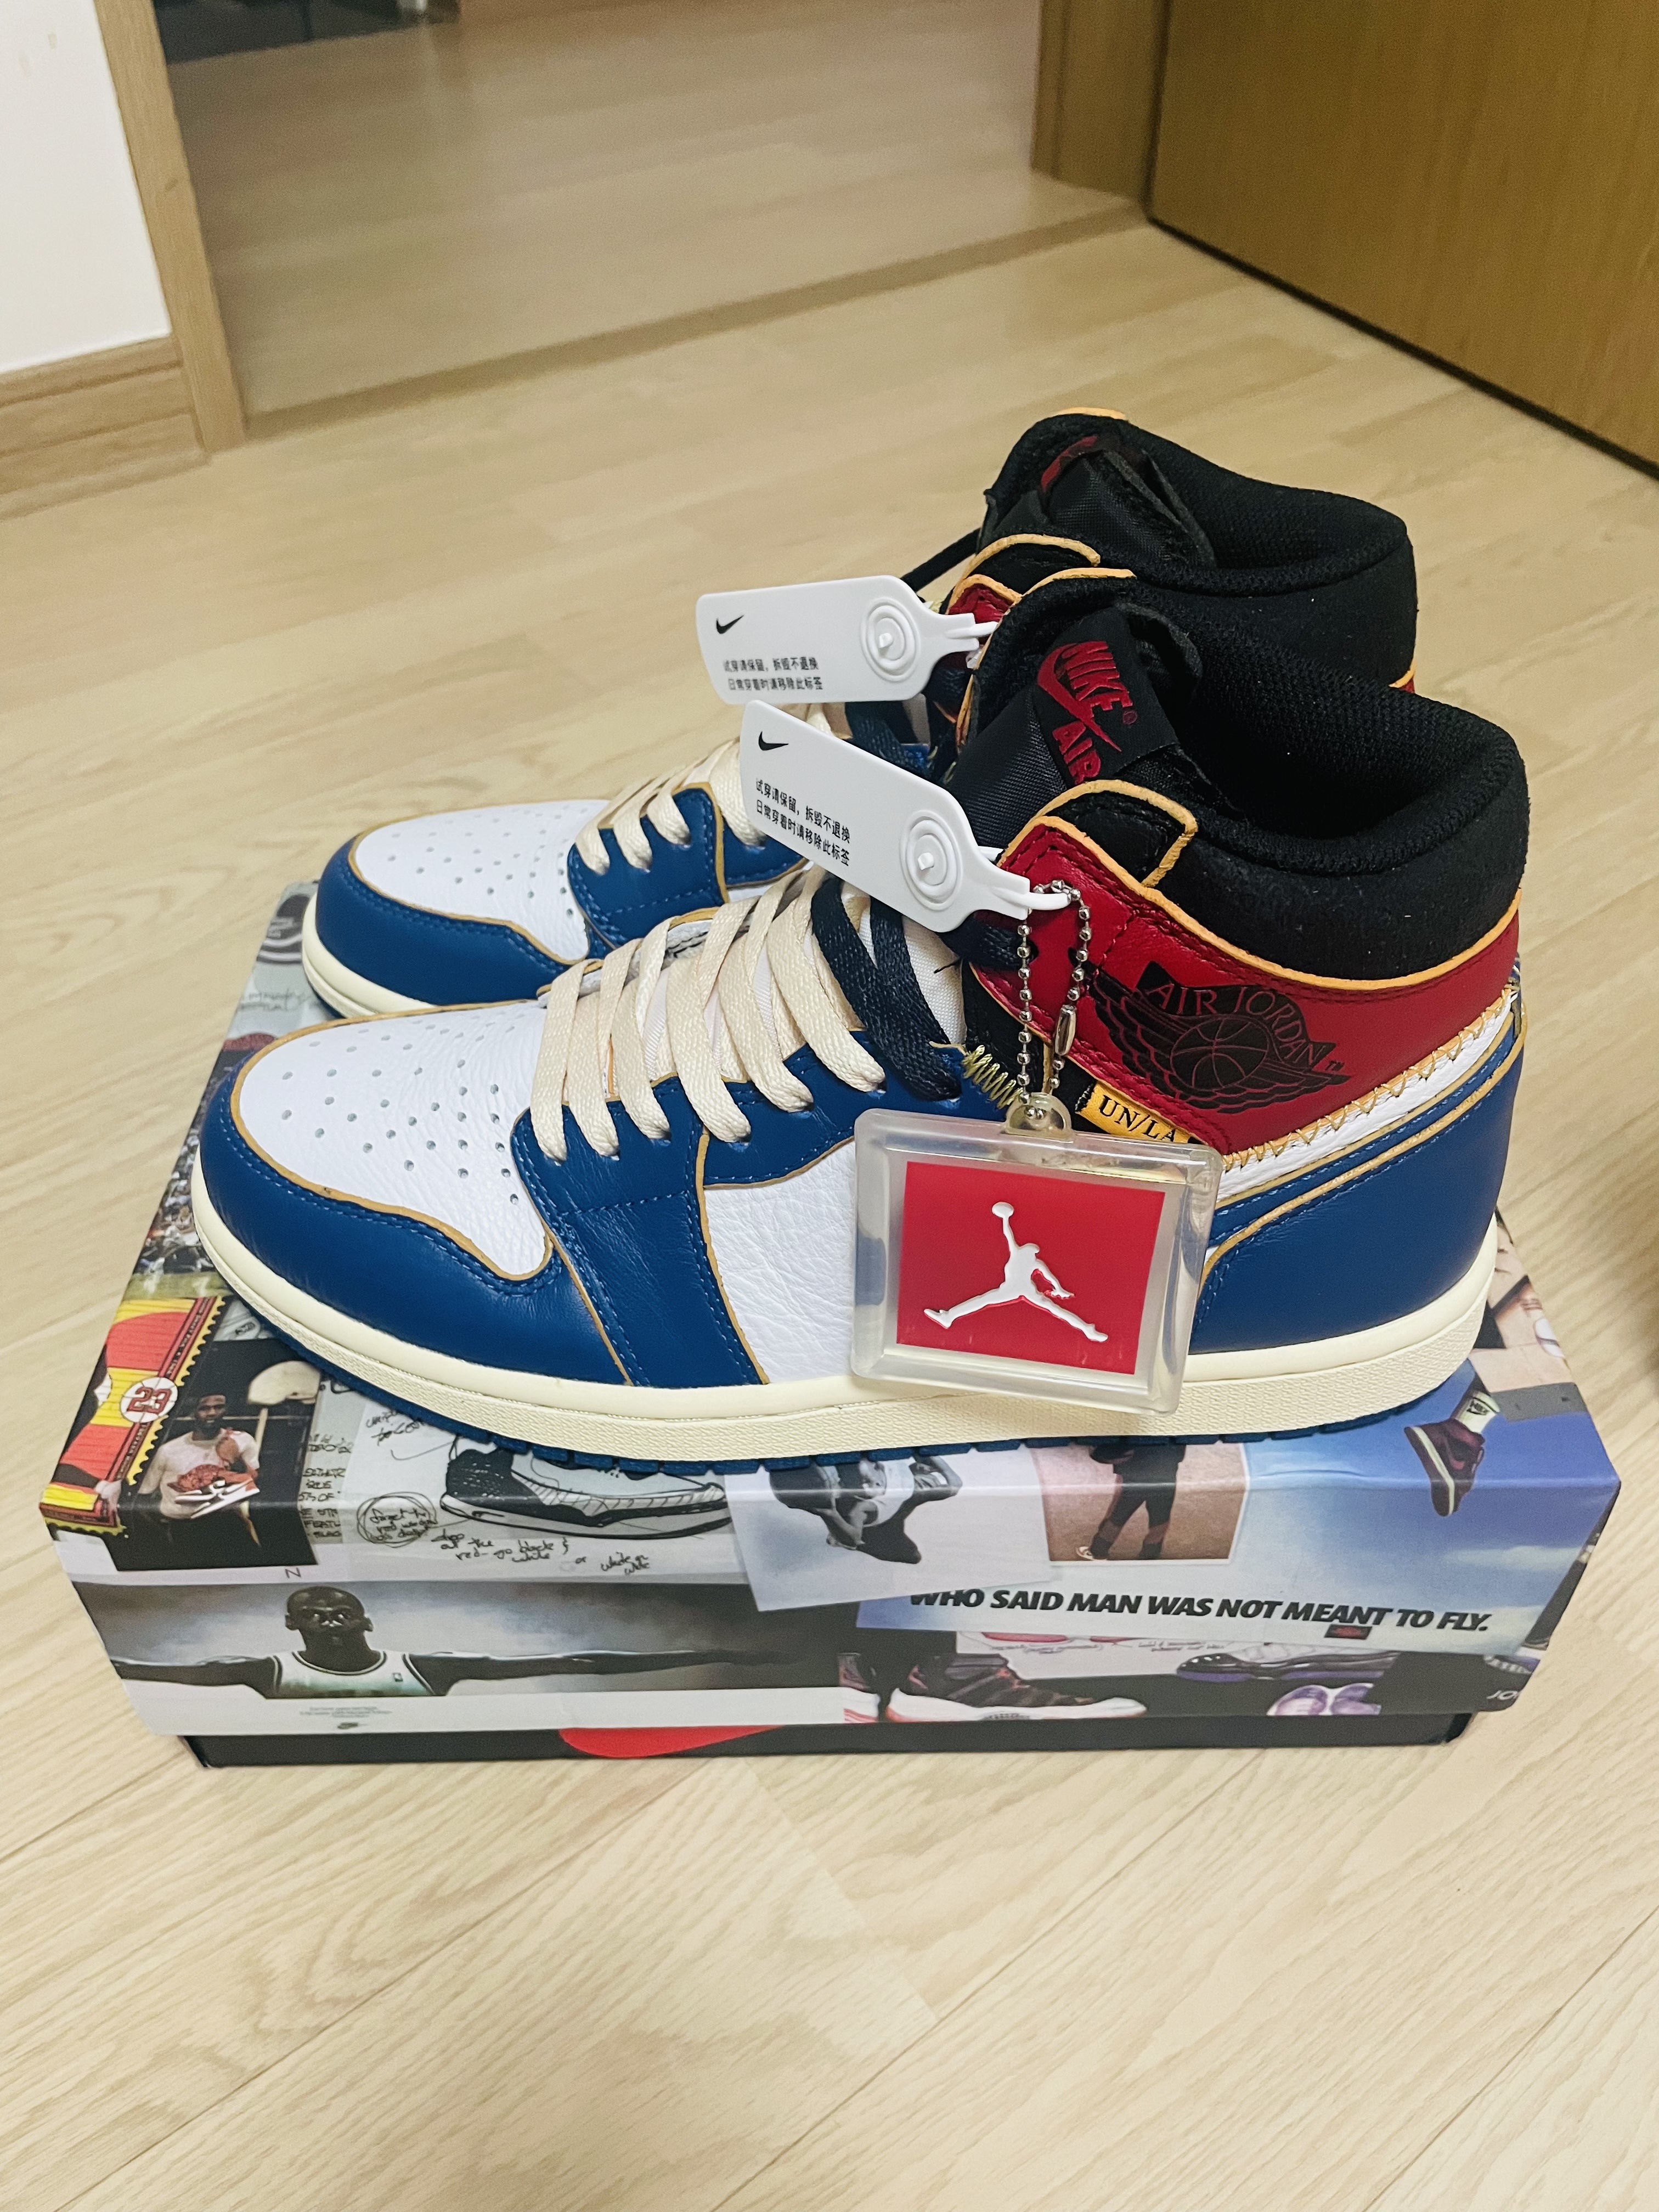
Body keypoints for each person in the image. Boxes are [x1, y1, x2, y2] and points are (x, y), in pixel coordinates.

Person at [112, 1585, 778, 1699]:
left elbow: (580, 1661)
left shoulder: (426, 1667)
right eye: (315, 1614)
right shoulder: (262, 1670)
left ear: (367, 1621)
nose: (331, 1620)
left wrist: (717, 1654)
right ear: (294, 1628)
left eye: (342, 1611)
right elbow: (154, 1672)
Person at [925, 1202, 1108, 1342]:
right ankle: (1087, 1330)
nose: (1033, 1253)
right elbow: (1009, 1235)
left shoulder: (1031, 1261)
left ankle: (949, 1316)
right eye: (1032, 1250)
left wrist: (1059, 1289)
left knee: (983, 1301)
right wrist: (1005, 1219)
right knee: (1054, 1309)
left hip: (1018, 1290)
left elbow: (1050, 1278)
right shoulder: (1020, 1255)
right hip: (1016, 1289)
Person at [97, 1390, 259, 1522]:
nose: (212, 1413)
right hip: (181, 1526)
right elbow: (145, 1494)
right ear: (193, 1412)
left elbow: (256, 1484)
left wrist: (234, 1460)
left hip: (227, 1521)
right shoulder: (169, 1450)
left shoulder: (242, 1440)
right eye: (204, 1408)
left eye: (218, 1407)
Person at [1082, 1439, 1186, 1561]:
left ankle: (1098, 1551)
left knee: (1118, 1514)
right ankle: (1151, 1554)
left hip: (1135, 1469)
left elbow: (1104, 1450)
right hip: (1165, 1468)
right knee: (1161, 1516)